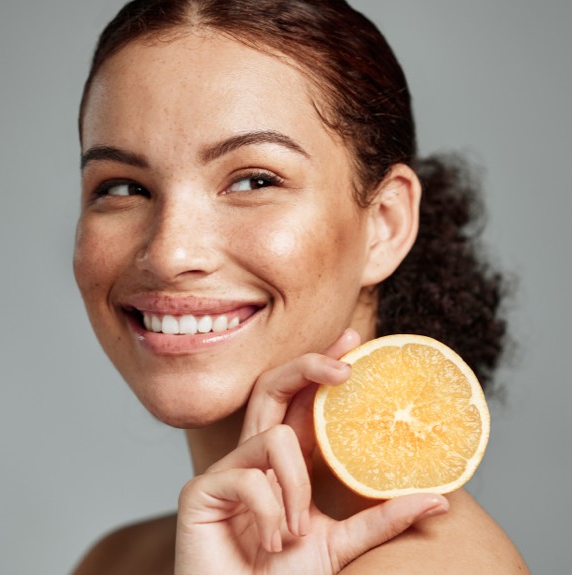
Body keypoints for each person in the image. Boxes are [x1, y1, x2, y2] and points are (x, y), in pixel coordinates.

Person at [72, 0, 530, 572]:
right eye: (122, 188)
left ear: (384, 225)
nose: (169, 253)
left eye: (254, 180)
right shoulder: (122, 560)